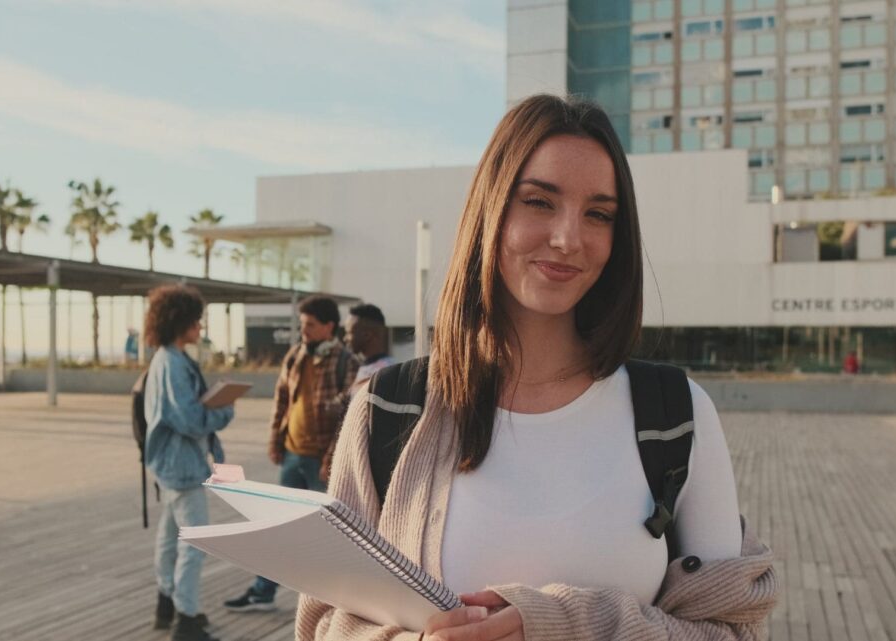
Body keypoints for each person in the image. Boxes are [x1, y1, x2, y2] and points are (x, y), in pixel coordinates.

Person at [297, 95, 777, 640]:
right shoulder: (388, 407)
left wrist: (563, 624)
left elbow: (733, 631)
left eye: (599, 214)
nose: (569, 238)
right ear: (491, 210)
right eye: (539, 202)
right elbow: (325, 624)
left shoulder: (676, 414)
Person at [224, 294, 359, 612]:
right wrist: (275, 441)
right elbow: (281, 401)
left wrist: (331, 459)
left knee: (331, 534)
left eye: (310, 325)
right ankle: (262, 592)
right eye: (302, 325)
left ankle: (338, 603)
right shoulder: (295, 355)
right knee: (276, 528)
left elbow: (349, 417)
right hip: (292, 455)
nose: (304, 332)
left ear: (329, 327)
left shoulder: (346, 363)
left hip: (321, 463)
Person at [142, 285, 235, 641]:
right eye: (196, 320)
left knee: (169, 538)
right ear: (180, 321)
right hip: (182, 468)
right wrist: (224, 410)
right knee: (196, 541)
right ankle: (187, 618)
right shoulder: (172, 363)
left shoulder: (168, 359)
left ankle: (167, 602)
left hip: (171, 465)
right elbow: (189, 418)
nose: (200, 326)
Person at [343, 303, 395, 395]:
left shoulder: (385, 373)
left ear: (367, 335)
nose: (345, 338)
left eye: (349, 333)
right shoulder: (363, 367)